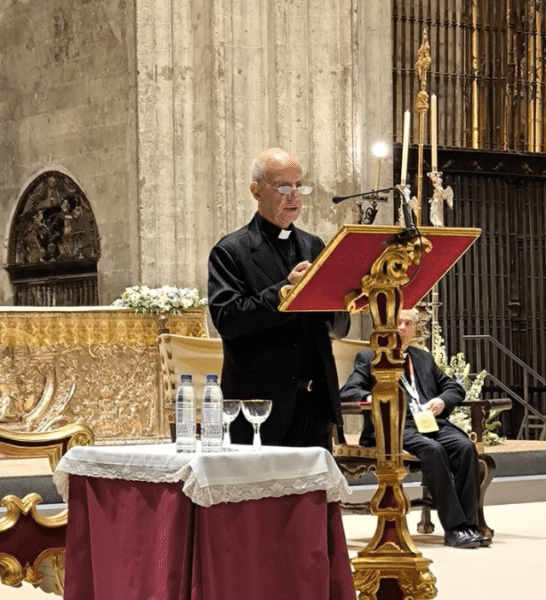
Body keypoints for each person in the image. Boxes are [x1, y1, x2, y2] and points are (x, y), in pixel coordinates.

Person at [207, 147, 350, 448]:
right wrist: (285, 291)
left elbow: (337, 327)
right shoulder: (231, 251)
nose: (294, 195)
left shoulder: (314, 246)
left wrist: (345, 296)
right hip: (261, 408)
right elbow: (228, 320)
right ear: (256, 191)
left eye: (299, 186)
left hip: (315, 405)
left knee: (313, 495)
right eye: (284, 187)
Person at [339, 308, 490, 549]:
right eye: (397, 322)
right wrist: (373, 397)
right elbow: (349, 392)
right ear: (386, 327)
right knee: (433, 450)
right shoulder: (369, 357)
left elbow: (454, 388)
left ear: (413, 329)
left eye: (408, 323)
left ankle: (469, 526)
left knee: (465, 447)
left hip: (430, 423)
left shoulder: (422, 358)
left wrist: (442, 401)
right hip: (393, 428)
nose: (402, 327)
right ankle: (454, 529)